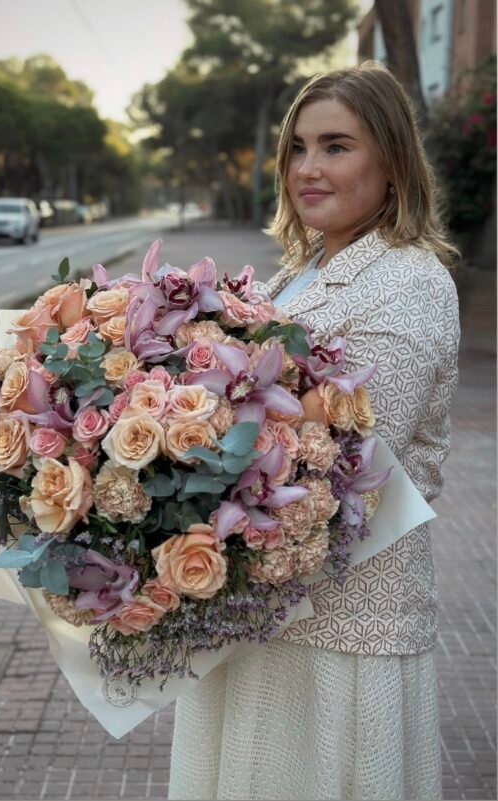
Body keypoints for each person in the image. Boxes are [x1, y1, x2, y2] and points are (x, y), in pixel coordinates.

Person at [167, 62, 460, 801]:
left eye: (336, 146)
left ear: (391, 160)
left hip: (342, 627)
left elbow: (350, 460)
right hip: (258, 610)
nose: (308, 168)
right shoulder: (294, 273)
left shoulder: (411, 281)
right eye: (298, 148)